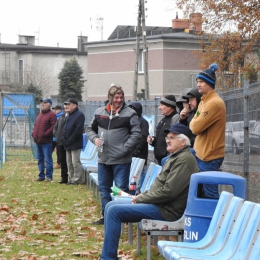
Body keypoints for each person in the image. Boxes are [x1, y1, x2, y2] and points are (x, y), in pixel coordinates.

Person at [99, 124, 199, 260]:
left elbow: (169, 192)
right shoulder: (177, 157)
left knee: (113, 211)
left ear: (183, 142)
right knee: (110, 206)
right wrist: (143, 196)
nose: (167, 140)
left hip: (167, 211)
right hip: (159, 205)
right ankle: (107, 255)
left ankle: (108, 258)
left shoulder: (184, 160)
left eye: (172, 138)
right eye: (167, 137)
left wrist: (142, 198)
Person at [86, 84, 142, 225]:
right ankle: (106, 217)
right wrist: (95, 139)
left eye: (121, 97)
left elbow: (137, 134)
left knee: (119, 190)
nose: (119, 100)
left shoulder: (130, 113)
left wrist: (124, 149)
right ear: (110, 98)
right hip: (103, 158)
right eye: (116, 97)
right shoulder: (100, 112)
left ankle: (120, 219)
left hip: (122, 160)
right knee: (104, 189)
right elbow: (89, 129)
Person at [190, 63, 226, 198]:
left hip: (209, 156)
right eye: (198, 82)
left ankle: (216, 218)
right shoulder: (204, 101)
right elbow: (195, 120)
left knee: (210, 194)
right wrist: (196, 121)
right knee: (171, 160)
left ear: (210, 83)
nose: (198, 84)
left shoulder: (213, 103)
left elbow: (195, 127)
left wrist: (196, 122)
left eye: (201, 82)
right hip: (200, 152)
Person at [147, 95, 178, 165]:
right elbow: (160, 139)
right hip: (160, 160)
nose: (159, 108)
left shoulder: (175, 119)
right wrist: (152, 140)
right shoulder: (163, 120)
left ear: (170, 107)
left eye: (162, 105)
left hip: (168, 160)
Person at [32, 98, 57, 182]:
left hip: (46, 141)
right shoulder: (39, 114)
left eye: (45, 103)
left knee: (48, 159)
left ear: (49, 105)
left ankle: (49, 176)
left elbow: (53, 126)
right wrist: (34, 134)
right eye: (42, 103)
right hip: (38, 140)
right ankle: (41, 175)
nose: (43, 104)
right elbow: (36, 125)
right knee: (40, 159)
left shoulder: (51, 115)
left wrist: (45, 134)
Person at [62, 99, 85, 185]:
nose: (66, 106)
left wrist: (70, 140)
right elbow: (64, 129)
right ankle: (71, 179)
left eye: (68, 104)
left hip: (75, 143)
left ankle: (77, 179)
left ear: (74, 106)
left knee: (75, 162)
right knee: (69, 163)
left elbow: (78, 130)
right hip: (67, 143)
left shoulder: (79, 115)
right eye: (65, 104)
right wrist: (64, 139)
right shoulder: (68, 116)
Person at [128, 101, 149, 191]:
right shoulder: (130, 121)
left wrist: (137, 150)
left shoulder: (143, 122)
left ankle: (142, 189)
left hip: (140, 152)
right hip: (131, 151)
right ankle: (134, 188)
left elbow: (143, 137)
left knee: (141, 171)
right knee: (133, 171)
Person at [53, 106, 68, 184]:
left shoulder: (69, 117)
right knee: (62, 159)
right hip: (59, 141)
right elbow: (55, 127)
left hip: (67, 142)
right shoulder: (61, 117)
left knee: (67, 160)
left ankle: (69, 177)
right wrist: (56, 135)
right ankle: (63, 177)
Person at [52, 105, 64, 169]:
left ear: (59, 110)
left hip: (58, 137)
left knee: (59, 151)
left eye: (56, 110)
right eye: (54, 110)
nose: (54, 111)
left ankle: (58, 163)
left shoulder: (62, 117)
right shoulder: (54, 116)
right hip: (53, 137)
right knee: (50, 150)